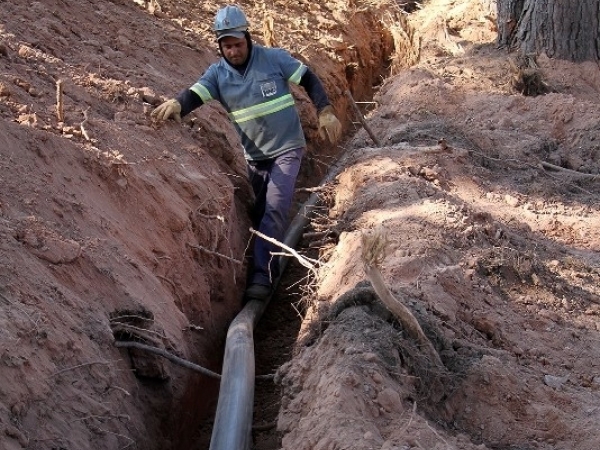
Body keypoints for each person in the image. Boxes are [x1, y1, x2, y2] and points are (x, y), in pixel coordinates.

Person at [151, 4, 342, 301]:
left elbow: (309, 79)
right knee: (261, 212)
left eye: (237, 44)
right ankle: (272, 248)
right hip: (256, 158)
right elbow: (194, 95)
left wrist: (326, 110)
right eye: (226, 46)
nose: (233, 51)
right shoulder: (217, 75)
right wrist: (177, 104)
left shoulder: (273, 59)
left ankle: (262, 275)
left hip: (288, 147)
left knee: (276, 208)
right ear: (219, 45)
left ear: (248, 38)